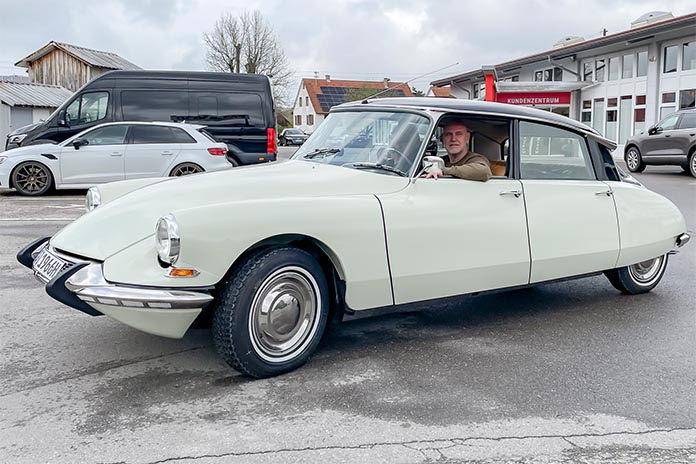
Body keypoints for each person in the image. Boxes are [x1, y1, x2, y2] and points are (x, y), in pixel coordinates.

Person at [423, 119, 491, 181]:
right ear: (443, 139)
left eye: (459, 134)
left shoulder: (475, 159)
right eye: (448, 134)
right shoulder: (441, 161)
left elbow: (484, 171)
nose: (453, 139)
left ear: (467, 138)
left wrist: (443, 171)